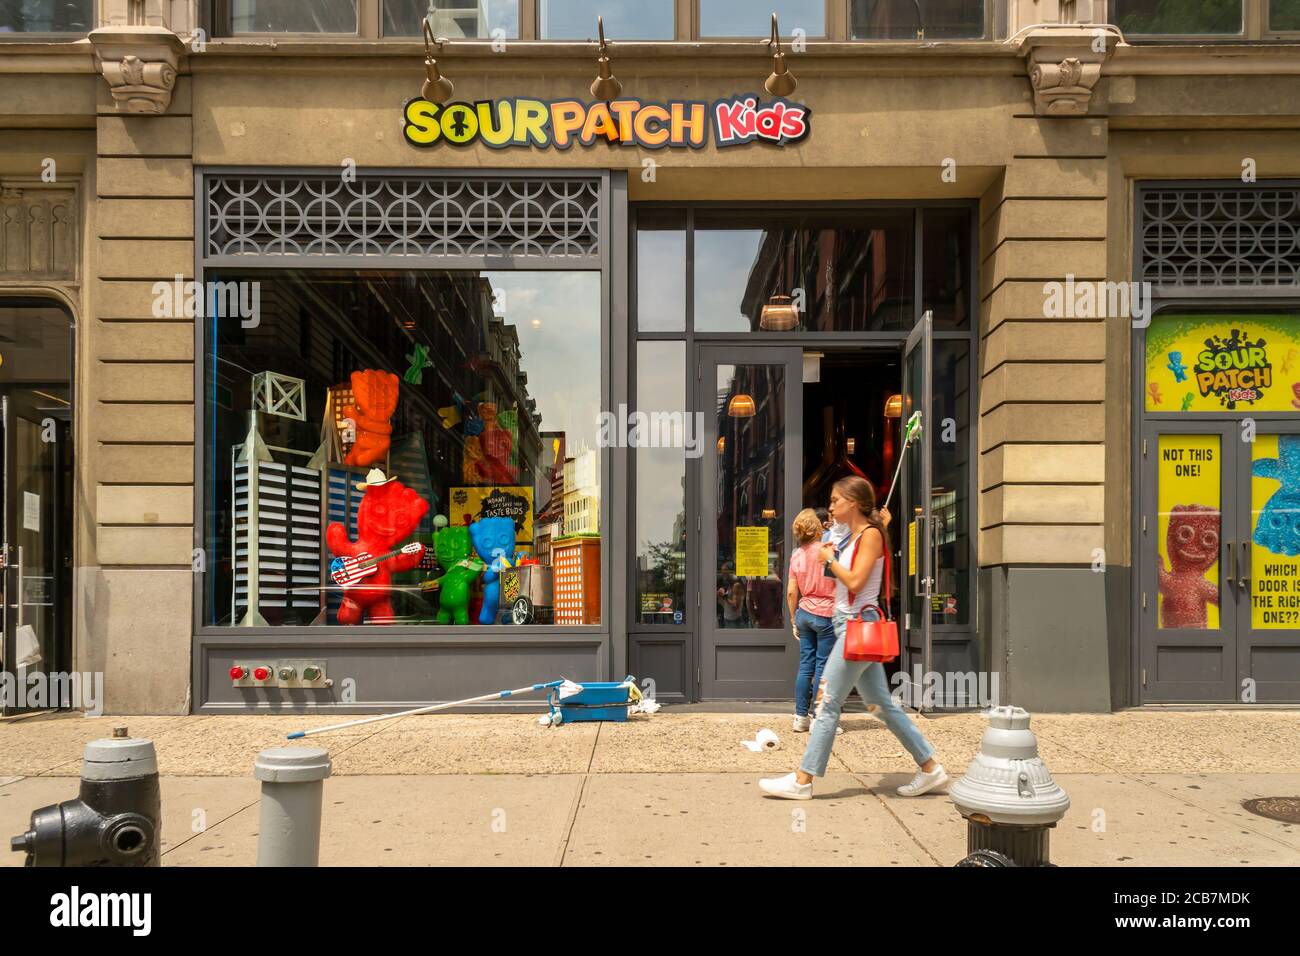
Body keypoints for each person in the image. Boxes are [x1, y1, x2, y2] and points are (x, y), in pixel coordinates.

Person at [760, 475, 948, 801]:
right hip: (848, 625)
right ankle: (931, 768)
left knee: (827, 703)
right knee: (882, 706)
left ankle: (803, 780)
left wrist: (830, 559)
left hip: (855, 627)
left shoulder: (870, 536)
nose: (830, 506)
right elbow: (838, 564)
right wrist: (831, 554)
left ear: (854, 502)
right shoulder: (853, 534)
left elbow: (857, 582)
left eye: (836, 500)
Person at [787, 509, 836, 732]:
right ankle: (819, 718)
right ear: (817, 528)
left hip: (804, 612)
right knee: (823, 668)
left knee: (806, 667)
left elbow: (791, 592)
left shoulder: (796, 555)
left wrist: (792, 618)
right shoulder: (828, 551)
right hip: (826, 613)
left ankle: (800, 718)